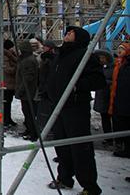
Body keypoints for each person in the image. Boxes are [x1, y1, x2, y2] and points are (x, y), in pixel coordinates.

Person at [45, 26, 105, 194]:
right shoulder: (61, 54)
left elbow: (98, 80)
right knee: (61, 144)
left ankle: (89, 185)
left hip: (76, 107)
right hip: (58, 106)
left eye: (71, 33)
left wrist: (76, 87)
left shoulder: (85, 56)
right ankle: (64, 177)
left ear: (79, 38)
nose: (67, 34)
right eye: (67, 32)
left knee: (80, 147)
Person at [15, 40, 39, 141]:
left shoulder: (28, 61)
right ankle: (29, 130)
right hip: (27, 92)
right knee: (27, 113)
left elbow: (27, 78)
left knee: (29, 113)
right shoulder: (27, 59)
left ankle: (33, 133)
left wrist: (20, 91)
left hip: (28, 92)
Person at [109, 42, 130, 158]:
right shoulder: (117, 63)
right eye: (119, 49)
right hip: (117, 97)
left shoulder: (126, 65)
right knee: (120, 123)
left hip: (124, 99)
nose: (119, 51)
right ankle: (123, 146)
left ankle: (126, 148)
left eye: (122, 49)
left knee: (126, 125)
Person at [92, 50, 114, 145]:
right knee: (104, 118)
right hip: (102, 95)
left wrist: (104, 82)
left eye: (102, 57)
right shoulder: (99, 67)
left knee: (113, 118)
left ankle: (115, 138)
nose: (101, 59)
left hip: (110, 95)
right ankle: (108, 137)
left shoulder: (113, 68)